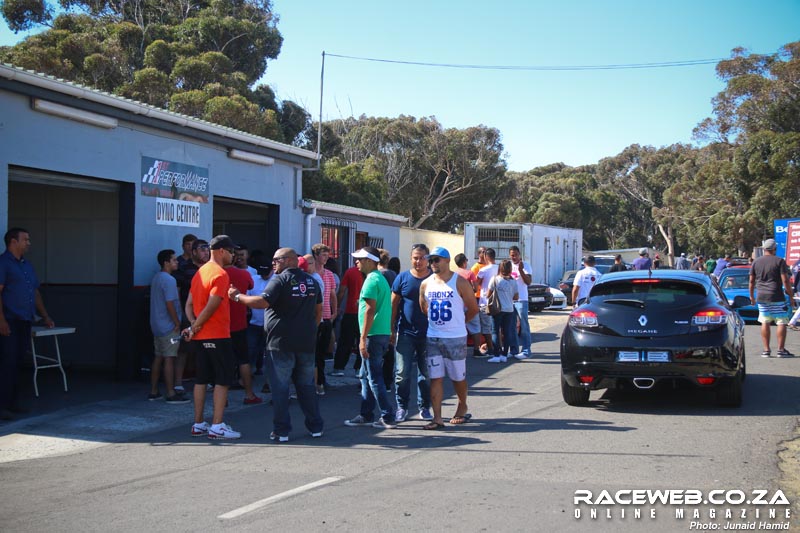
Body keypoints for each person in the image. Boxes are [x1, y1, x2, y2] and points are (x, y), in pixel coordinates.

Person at [230, 248, 324, 442]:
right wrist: (308, 331)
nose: (273, 263)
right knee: (306, 386)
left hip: (280, 343)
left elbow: (262, 302)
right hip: (305, 342)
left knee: (280, 388)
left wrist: (237, 297)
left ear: (289, 261)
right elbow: (318, 312)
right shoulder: (312, 281)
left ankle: (281, 431)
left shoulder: (280, 280)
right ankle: (316, 427)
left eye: (277, 260)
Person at [184, 235, 241, 440]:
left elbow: (189, 304)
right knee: (222, 380)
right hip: (217, 335)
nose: (234, 255)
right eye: (231, 251)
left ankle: (198, 423)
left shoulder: (201, 271)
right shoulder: (220, 273)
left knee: (201, 379)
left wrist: (193, 326)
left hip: (201, 337)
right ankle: (217, 426)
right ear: (222, 251)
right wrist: (196, 325)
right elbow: (214, 303)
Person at [419, 247, 479, 430]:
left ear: (446, 260)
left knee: (457, 376)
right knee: (435, 377)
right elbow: (424, 308)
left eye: (437, 260)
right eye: (431, 260)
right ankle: (437, 417)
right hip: (434, 336)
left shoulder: (459, 282)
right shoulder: (426, 284)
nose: (433, 264)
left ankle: (462, 404)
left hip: (455, 337)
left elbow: (473, 308)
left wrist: (460, 323)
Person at [0, 228, 55, 420]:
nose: (29, 243)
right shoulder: (3, 264)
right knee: (7, 363)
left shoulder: (26, 265)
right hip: (10, 321)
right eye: (25, 240)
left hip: (25, 320)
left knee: (17, 363)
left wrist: (45, 316)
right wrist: (2, 321)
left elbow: (35, 292)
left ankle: (13, 403)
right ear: (13, 242)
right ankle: (2, 405)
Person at [344, 246, 397, 430]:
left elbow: (369, 309)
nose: (356, 262)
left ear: (369, 260)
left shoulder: (371, 280)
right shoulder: (379, 278)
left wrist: (362, 338)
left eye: (359, 259)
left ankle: (388, 415)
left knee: (373, 377)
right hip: (380, 333)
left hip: (373, 335)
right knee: (366, 376)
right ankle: (366, 414)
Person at [390, 243, 433, 423]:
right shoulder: (402, 278)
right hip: (405, 333)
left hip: (429, 334)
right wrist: (391, 328)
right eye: (415, 257)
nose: (418, 261)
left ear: (428, 259)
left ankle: (424, 407)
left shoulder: (435, 279)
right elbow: (394, 305)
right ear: (411, 258)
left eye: (422, 257)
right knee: (402, 373)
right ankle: (402, 407)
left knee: (426, 373)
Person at [148, 249, 189, 404]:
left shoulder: (156, 278)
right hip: (168, 325)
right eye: (173, 260)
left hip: (156, 324)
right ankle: (171, 392)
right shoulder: (169, 280)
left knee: (158, 357)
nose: (177, 262)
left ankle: (153, 390)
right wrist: (177, 322)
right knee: (170, 358)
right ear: (166, 263)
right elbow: (170, 303)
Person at [173, 238, 209, 393]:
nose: (205, 252)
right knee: (184, 349)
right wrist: (181, 314)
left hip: (207, 314)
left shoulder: (211, 268)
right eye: (202, 249)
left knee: (205, 349)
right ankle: (178, 382)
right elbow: (178, 291)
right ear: (193, 251)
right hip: (188, 314)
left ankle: (205, 379)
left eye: (207, 248)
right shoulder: (183, 268)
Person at [749, 239, 795, 357]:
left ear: (764, 249)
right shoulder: (779, 261)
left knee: (765, 321)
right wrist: (791, 296)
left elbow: (751, 281)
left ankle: (766, 350)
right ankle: (780, 350)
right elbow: (785, 280)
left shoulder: (756, 262)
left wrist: (752, 297)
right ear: (774, 249)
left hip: (762, 296)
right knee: (781, 321)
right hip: (777, 296)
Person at [225, 254, 261, 405]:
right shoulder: (244, 274)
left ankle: (222, 398)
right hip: (239, 324)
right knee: (243, 360)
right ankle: (249, 394)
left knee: (222, 361)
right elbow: (250, 286)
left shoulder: (214, 274)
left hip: (221, 325)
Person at [311, 244, 338, 396]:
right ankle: (316, 381)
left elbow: (333, 294)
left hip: (327, 316)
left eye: (327, 256)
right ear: (315, 255)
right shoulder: (310, 273)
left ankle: (321, 379)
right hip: (315, 318)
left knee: (322, 352)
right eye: (323, 255)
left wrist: (334, 312)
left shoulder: (329, 274)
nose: (326, 258)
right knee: (313, 352)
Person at [332, 259, 365, 375]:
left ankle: (339, 368)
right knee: (363, 340)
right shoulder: (372, 274)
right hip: (366, 312)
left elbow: (341, 291)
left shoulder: (350, 272)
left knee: (345, 341)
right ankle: (359, 369)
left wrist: (336, 306)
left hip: (351, 311)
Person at [486, 259, 519, 363]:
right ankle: (505, 354)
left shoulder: (495, 280)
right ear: (510, 269)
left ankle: (496, 355)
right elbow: (516, 297)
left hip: (497, 309)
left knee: (495, 331)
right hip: (509, 309)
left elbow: (488, 294)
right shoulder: (513, 282)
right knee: (507, 332)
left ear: (500, 268)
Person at [454, 253, 483, 358]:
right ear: (464, 262)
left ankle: (457, 349)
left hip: (457, 303)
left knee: (457, 326)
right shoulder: (469, 273)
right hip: (469, 303)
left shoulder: (453, 274)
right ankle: (476, 350)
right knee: (475, 327)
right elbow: (475, 288)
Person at [246, 265, 272, 382]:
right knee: (251, 349)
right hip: (255, 321)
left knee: (270, 353)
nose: (264, 275)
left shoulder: (277, 280)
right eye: (262, 272)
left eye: (266, 273)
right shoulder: (254, 279)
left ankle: (268, 381)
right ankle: (248, 375)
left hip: (271, 324)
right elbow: (247, 297)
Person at [377, 249, 397, 392]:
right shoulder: (393, 274)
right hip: (391, 314)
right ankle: (387, 380)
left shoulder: (379, 275)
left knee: (377, 351)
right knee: (389, 350)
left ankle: (378, 381)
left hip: (381, 315)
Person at [508, 245, 532, 358]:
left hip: (522, 300)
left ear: (519, 255)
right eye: (512, 255)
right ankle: (514, 350)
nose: (514, 257)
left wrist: (521, 270)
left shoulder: (525, 265)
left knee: (523, 326)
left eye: (516, 255)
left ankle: (526, 350)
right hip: (509, 300)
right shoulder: (508, 266)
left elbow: (528, 282)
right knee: (511, 326)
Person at [475, 248, 498, 355]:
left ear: (486, 257)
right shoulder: (500, 268)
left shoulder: (483, 270)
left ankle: (491, 349)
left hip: (486, 302)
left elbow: (476, 285)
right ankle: (499, 348)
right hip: (499, 303)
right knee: (497, 327)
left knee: (486, 328)